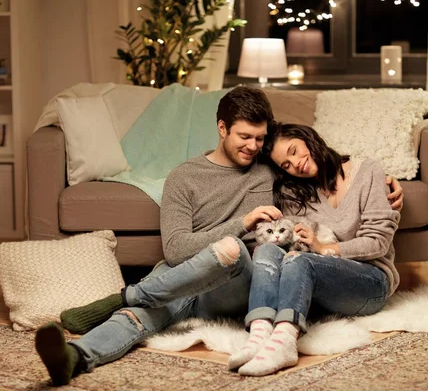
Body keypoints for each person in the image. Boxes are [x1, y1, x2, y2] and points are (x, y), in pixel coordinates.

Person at [34, 87, 404, 386]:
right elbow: (176, 249)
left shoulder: (269, 172)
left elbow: (322, 166)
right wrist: (241, 222)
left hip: (240, 277)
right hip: (188, 275)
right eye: (245, 136)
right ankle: (77, 357)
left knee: (230, 250)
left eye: (260, 139)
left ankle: (121, 296)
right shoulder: (183, 177)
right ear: (222, 128)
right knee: (144, 313)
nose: (253, 147)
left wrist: (389, 181)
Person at [227, 123, 401, 376]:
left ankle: (284, 343)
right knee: (267, 251)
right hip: (322, 283)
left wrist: (324, 247)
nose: (296, 163)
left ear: (307, 137)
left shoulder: (368, 171)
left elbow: (378, 242)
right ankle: (259, 337)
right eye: (286, 165)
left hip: (370, 282)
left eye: (294, 150)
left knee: (300, 260)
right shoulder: (293, 192)